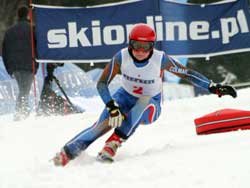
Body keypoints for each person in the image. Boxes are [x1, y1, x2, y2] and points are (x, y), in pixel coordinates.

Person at [52, 23, 237, 166]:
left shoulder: (160, 58)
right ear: (129, 44)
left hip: (151, 105)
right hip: (124, 97)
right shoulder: (121, 57)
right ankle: (65, 154)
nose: (140, 51)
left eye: (145, 46)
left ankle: (113, 143)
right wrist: (111, 105)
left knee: (144, 101)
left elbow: (187, 73)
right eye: (136, 45)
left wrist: (213, 87)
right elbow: (102, 84)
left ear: (152, 47)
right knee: (101, 125)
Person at [2, 6, 38, 121]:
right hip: (29, 65)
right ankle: (20, 114)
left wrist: (9, 68)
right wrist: (36, 64)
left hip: (15, 66)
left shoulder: (9, 31)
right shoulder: (32, 29)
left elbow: (4, 51)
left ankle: (22, 113)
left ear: (18, 15)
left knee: (23, 89)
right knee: (24, 90)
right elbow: (37, 48)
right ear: (27, 15)